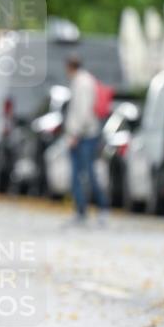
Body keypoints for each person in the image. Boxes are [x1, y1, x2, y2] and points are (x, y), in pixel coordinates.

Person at [64, 54, 108, 226]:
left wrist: (74, 134)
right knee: (84, 174)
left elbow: (82, 112)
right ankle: (85, 210)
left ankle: (94, 209)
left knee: (84, 174)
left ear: (69, 67)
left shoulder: (81, 83)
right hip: (86, 134)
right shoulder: (86, 80)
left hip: (83, 135)